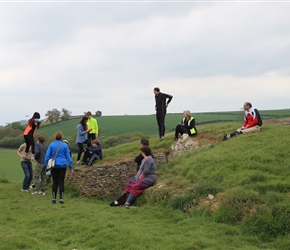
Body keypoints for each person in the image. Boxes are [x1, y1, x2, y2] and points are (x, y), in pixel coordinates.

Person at [45, 131, 73, 204]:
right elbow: (68, 157)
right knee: (61, 182)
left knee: (55, 182)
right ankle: (61, 199)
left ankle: (54, 199)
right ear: (61, 137)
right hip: (63, 165)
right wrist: (71, 167)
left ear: (55, 137)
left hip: (54, 166)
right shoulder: (65, 146)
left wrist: (47, 165)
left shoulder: (51, 145)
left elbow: (47, 156)